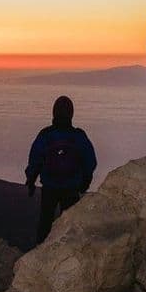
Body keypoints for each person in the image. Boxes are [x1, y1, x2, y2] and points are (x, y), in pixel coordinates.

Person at [25, 96, 97, 244]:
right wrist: (85, 182)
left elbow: (35, 159)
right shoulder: (78, 136)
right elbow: (90, 161)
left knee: (45, 224)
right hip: (71, 188)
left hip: (50, 187)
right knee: (70, 227)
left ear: (54, 113)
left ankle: (40, 253)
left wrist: (31, 180)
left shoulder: (46, 135)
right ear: (71, 113)